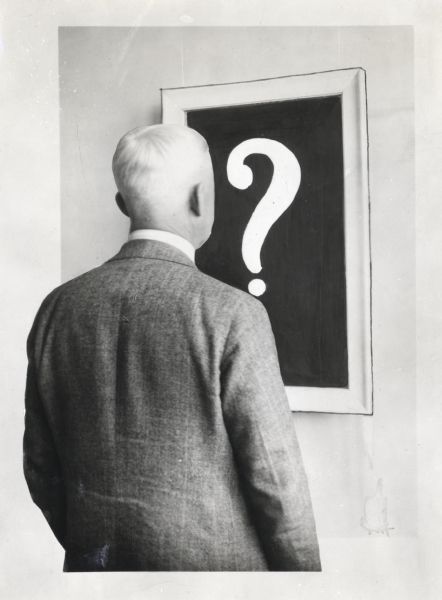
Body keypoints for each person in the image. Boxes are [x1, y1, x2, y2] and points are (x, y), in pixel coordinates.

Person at [23, 124, 321, 571]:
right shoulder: (232, 313)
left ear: (122, 203)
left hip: (97, 573)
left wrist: (99, 547)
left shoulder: (57, 308)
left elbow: (41, 469)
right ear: (201, 198)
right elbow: (276, 482)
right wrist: (308, 584)